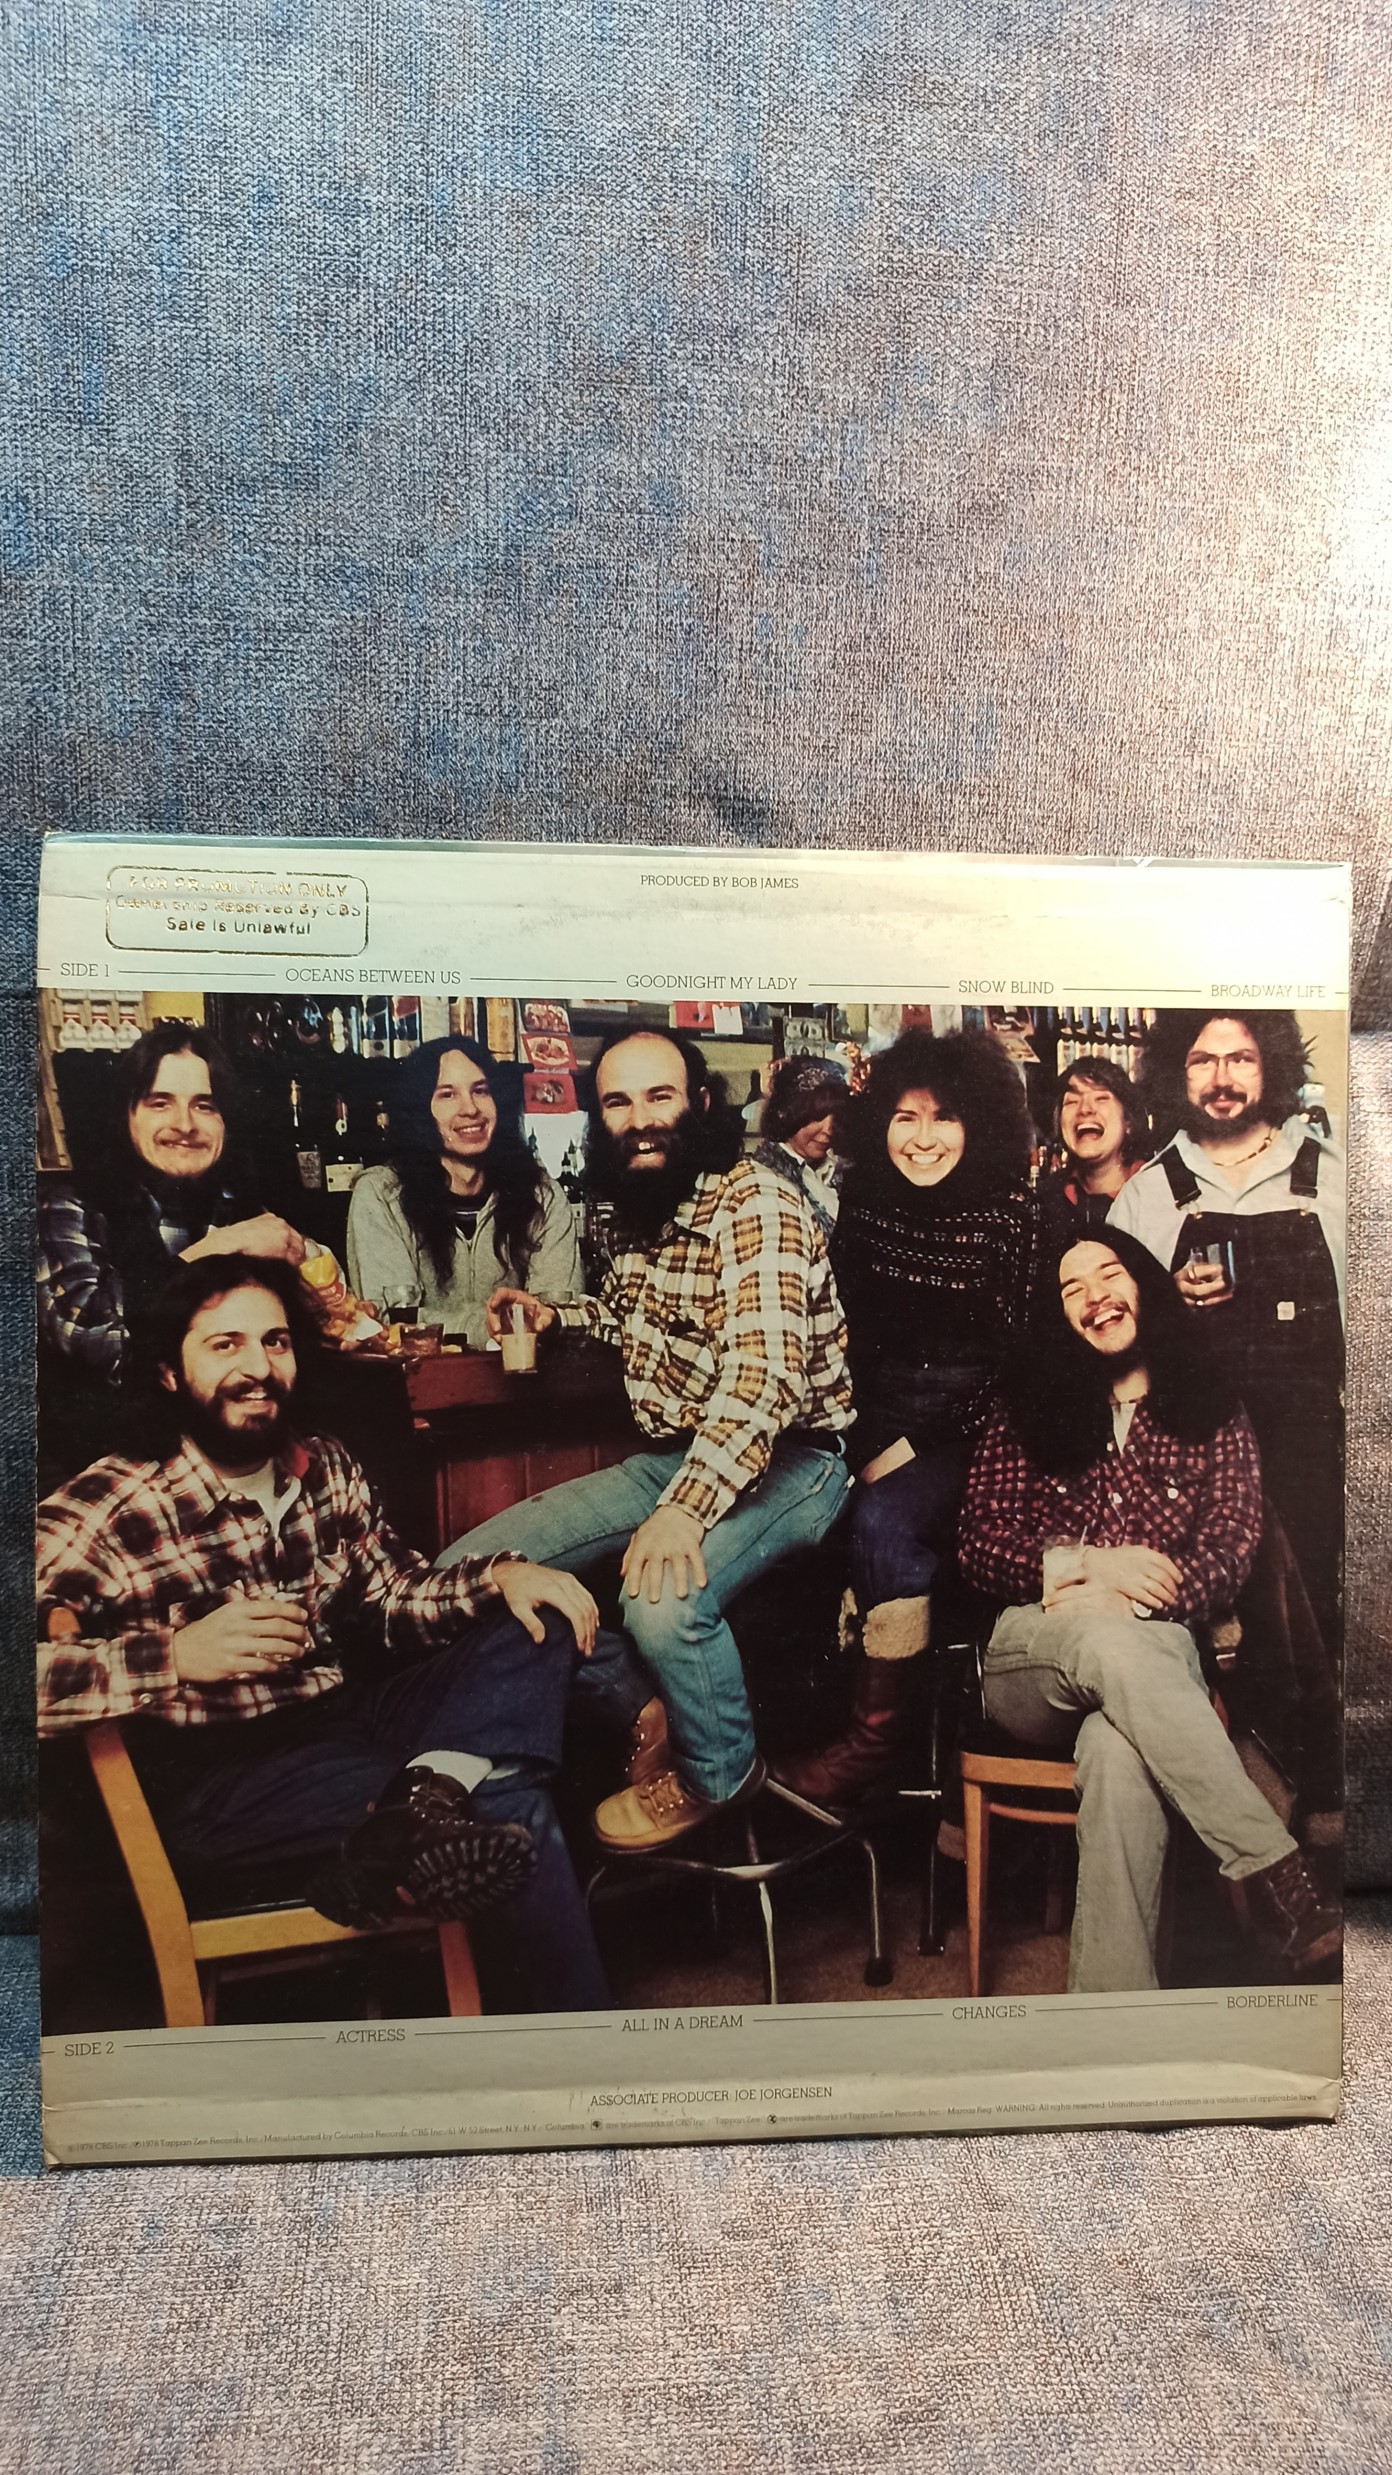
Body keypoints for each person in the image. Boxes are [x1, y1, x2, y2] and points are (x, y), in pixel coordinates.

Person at [37, 1255, 652, 2014]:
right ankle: (571, 2046)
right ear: (169, 1372)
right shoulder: (112, 1501)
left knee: (539, 1613)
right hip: (222, 1778)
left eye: (276, 1342)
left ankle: (416, 1807)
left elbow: (394, 1598)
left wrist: (501, 1576)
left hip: (349, 1720)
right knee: (502, 1799)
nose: (257, 1368)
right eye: (225, 1345)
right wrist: (175, 1656)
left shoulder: (323, 1465)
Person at [439, 1027, 853, 1853]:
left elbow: (762, 1382)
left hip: (794, 1458)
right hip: (680, 1455)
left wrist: (681, 1515)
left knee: (661, 1602)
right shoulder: (634, 1210)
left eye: (659, 1096)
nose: (640, 1120)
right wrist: (558, 1315)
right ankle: (647, 1707)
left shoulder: (756, 1202)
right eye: (618, 1103)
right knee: (472, 1569)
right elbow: (639, 1318)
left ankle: (719, 1772)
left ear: (698, 1102)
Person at [956, 1229, 1340, 1992]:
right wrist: (1091, 1566)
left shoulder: (1212, 1409)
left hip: (1151, 1661)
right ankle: (1280, 1880)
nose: (1096, 1296)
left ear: (1144, 1287)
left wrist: (1128, 1600)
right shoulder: (1025, 1408)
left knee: (1118, 1752)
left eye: (1110, 1273)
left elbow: (1229, 1552)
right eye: (1072, 1288)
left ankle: (1110, 2012)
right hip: (1033, 1660)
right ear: (1059, 1316)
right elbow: (977, 1543)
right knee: (1110, 1642)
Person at [773, 1029, 1038, 1801]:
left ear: (978, 1122)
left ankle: (872, 1744)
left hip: (974, 1431)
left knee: (885, 1518)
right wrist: (862, 1438)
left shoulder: (1013, 1217)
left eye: (944, 1117)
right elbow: (838, 1338)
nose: (924, 1139)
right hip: (865, 1419)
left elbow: (1018, 1372)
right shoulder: (864, 1204)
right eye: (906, 1117)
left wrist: (912, 1445)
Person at [1107, 1010, 1344, 1660]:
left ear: (1271, 1065)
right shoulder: (1146, 1196)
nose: (1221, 1078)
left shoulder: (1333, 1177)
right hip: (1191, 1451)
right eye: (1202, 1060)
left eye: (1240, 1058)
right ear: (1175, 1072)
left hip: (1311, 1446)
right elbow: (1104, 1338)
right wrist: (1163, 1302)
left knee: (1309, 1622)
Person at [346, 1035, 582, 1347]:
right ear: (420, 1109)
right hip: (419, 1377)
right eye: (447, 1095)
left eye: (480, 1091)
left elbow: (556, 1313)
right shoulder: (381, 1195)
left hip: (525, 1376)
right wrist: (497, 1325)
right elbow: (392, 1321)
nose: (470, 1109)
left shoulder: (543, 1196)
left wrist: (526, 1322)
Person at [1034, 1055, 1151, 1255]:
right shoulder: (1046, 1199)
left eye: (1101, 1098)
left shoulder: (1161, 1190)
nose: (1085, 1110)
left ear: (1129, 1122)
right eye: (1072, 1101)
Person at [752, 1053, 847, 1235]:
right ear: (784, 1112)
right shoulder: (767, 1179)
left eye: (838, 1117)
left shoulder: (834, 1170)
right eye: (817, 1116)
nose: (829, 1129)